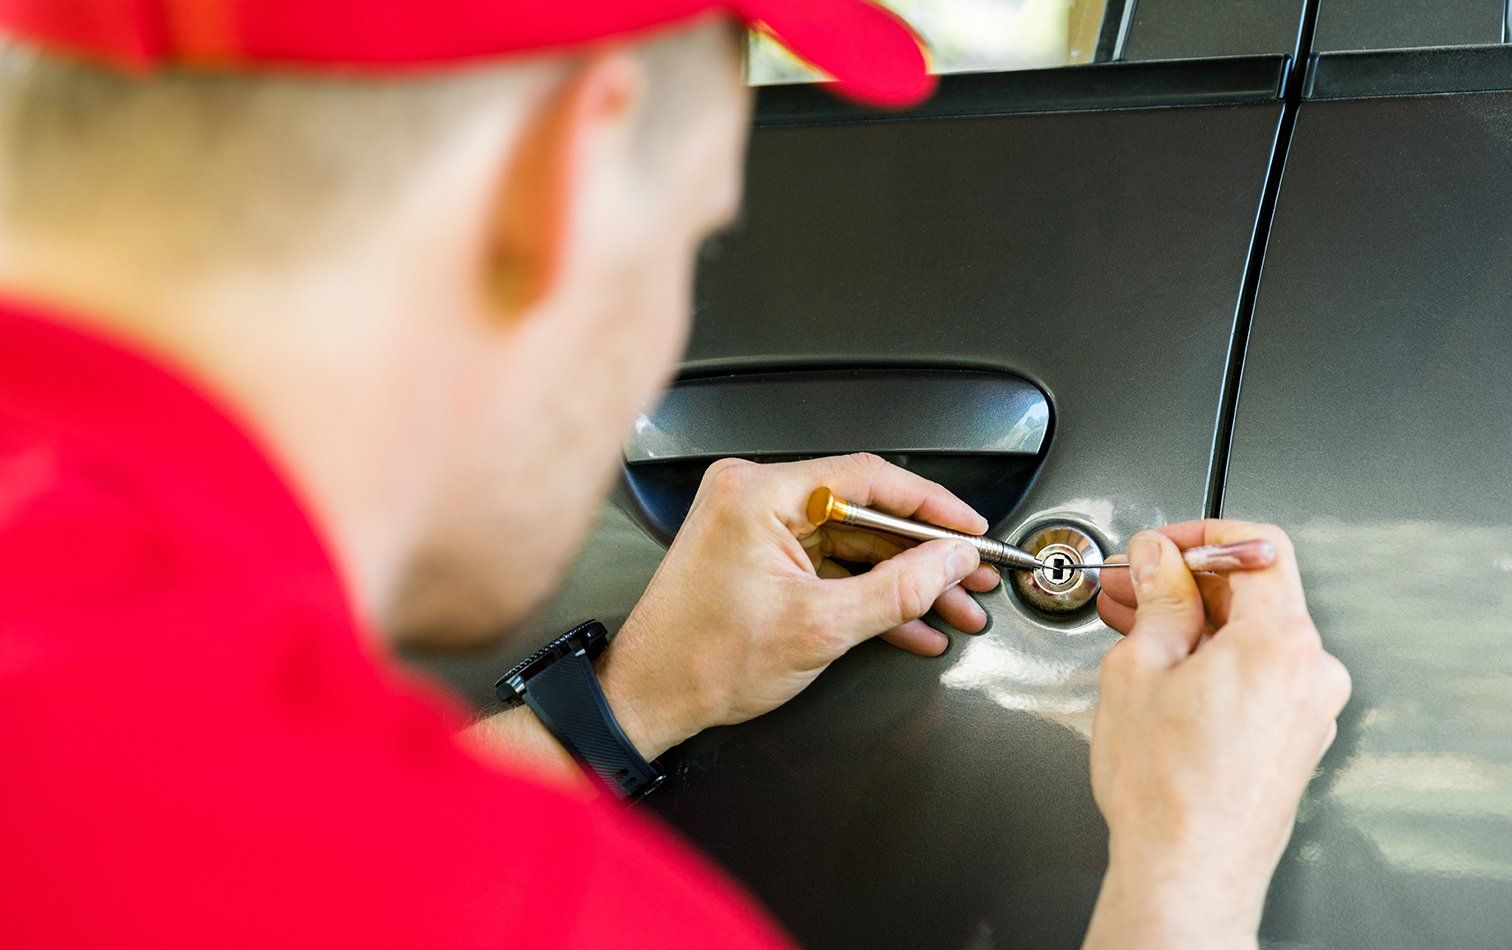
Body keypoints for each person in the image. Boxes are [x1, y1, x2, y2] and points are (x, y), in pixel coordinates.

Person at [0, 1, 1350, 947]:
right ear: (562, 181)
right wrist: (1188, 875)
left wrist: (634, 699)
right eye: (692, 243)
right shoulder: (548, 912)